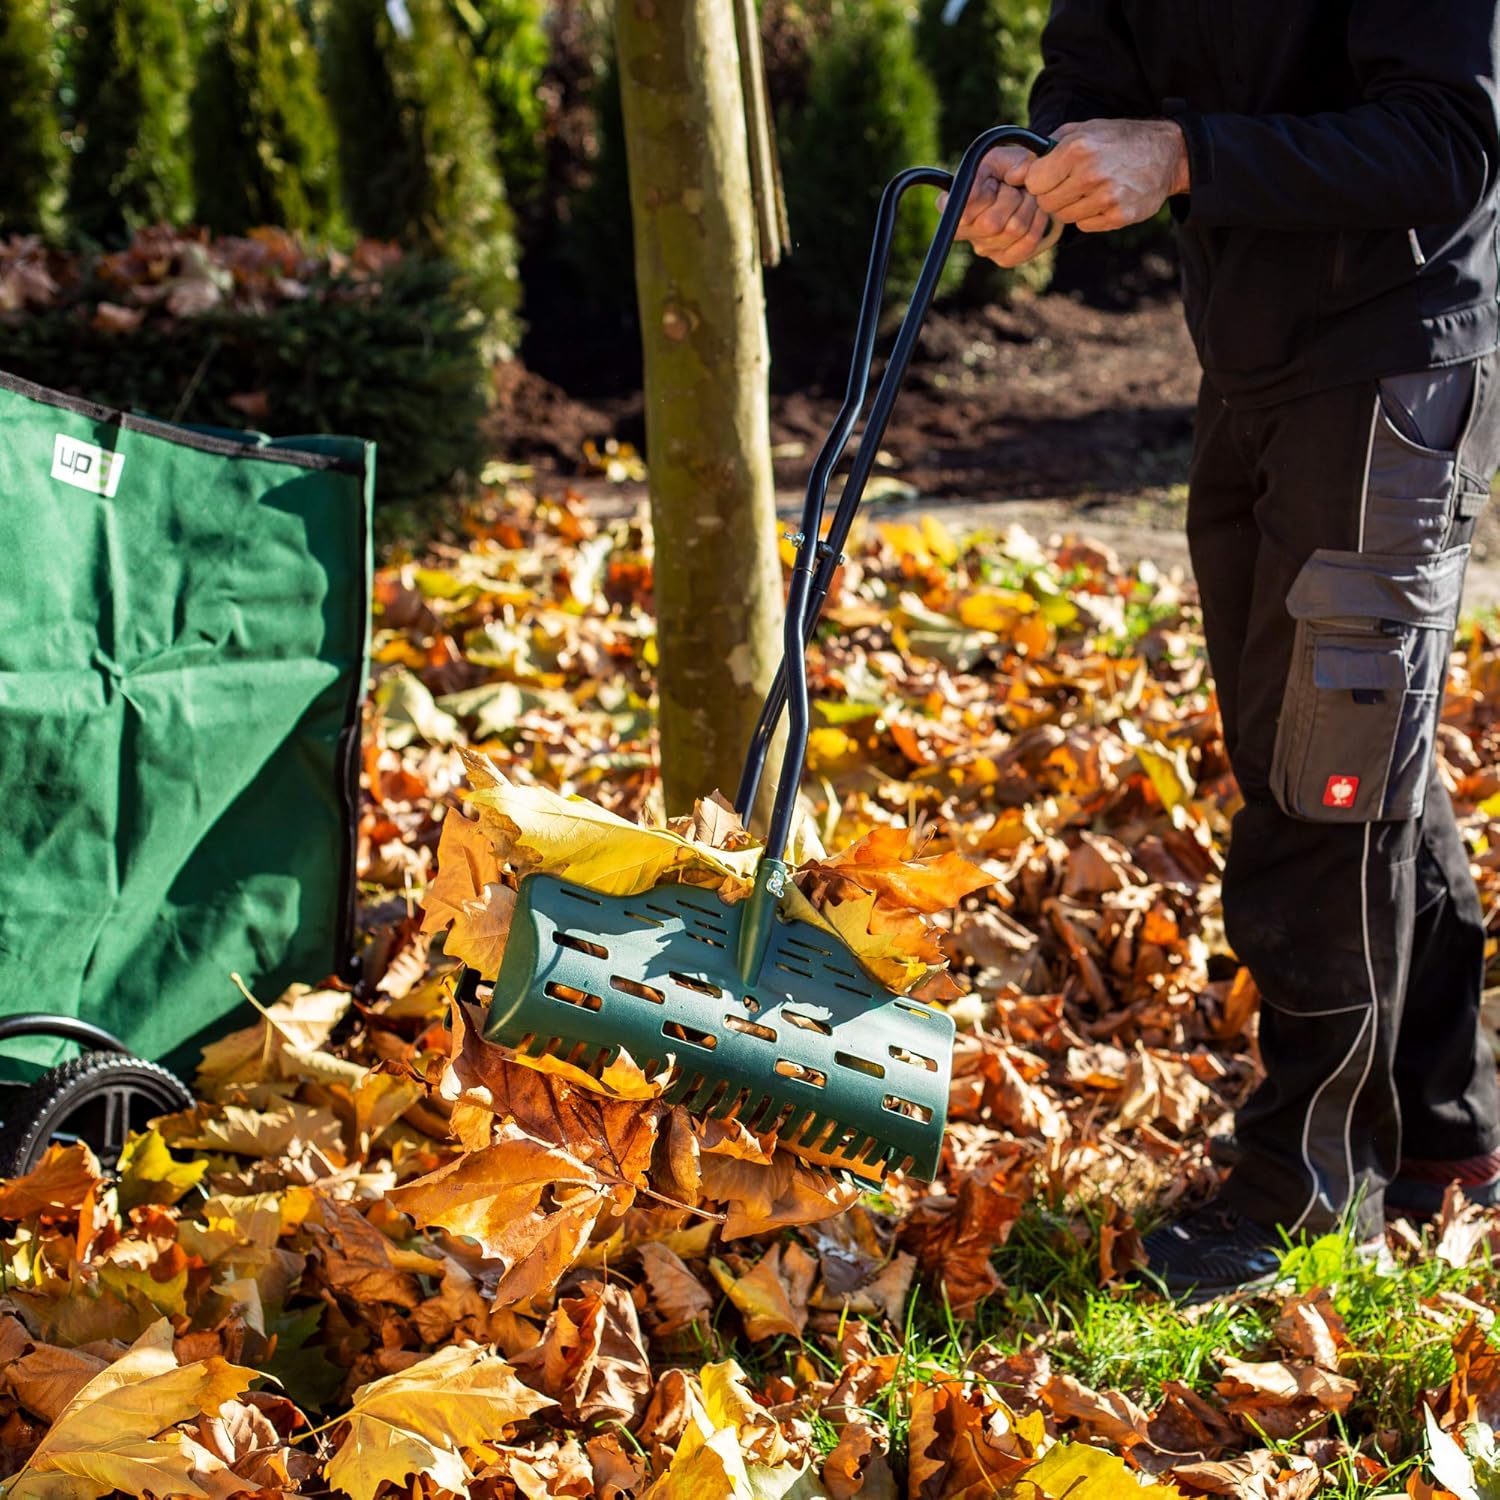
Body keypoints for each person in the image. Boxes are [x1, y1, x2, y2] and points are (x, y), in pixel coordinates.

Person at [955, 1, 1500, 1297]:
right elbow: (1092, 70)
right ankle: (1447, 1134)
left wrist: (1184, 155)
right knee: (1329, 742)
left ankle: (1310, 1195)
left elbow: (1449, 137)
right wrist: (1029, 168)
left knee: (1330, 772)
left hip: (1391, 347)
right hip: (1249, 351)